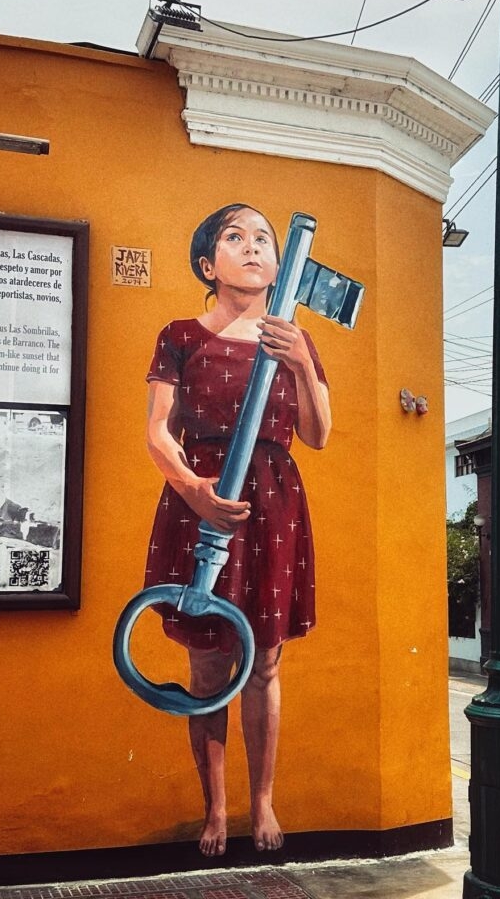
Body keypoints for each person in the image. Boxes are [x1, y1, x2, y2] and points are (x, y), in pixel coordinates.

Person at [143, 203, 331, 858]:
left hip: (271, 507)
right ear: (207, 262)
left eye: (263, 240)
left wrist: (301, 363)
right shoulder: (179, 336)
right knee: (206, 665)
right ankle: (215, 810)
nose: (251, 248)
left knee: (264, 663)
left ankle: (262, 804)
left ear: (281, 266)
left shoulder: (295, 339)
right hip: (200, 500)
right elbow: (158, 432)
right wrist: (194, 491)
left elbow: (316, 435)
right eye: (234, 237)